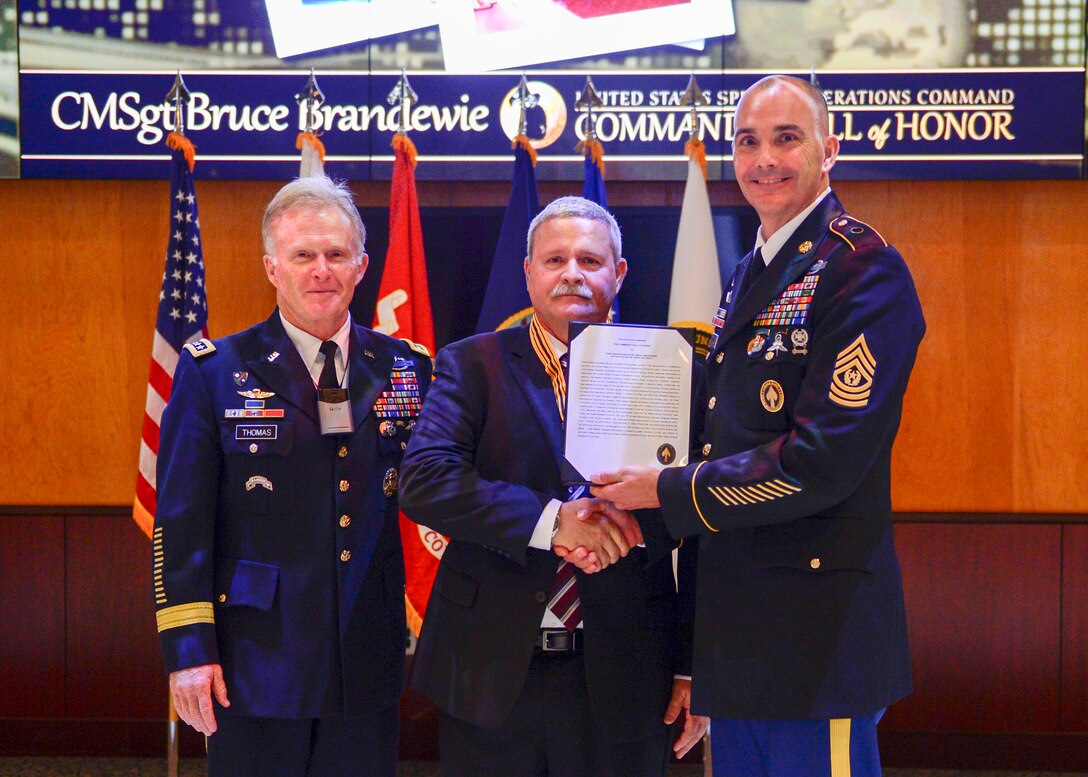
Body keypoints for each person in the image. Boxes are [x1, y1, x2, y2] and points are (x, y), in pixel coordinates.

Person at [592, 75, 926, 776]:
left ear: (829, 150)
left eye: (786, 138)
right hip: (740, 632)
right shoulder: (750, 271)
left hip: (817, 637)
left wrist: (671, 490)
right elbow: (725, 431)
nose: (764, 159)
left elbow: (823, 461)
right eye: (748, 142)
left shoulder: (861, 269)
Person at [398, 195, 708, 777]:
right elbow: (424, 480)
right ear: (528, 272)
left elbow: (698, 518)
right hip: (486, 670)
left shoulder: (672, 368)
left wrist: (693, 665)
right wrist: (554, 522)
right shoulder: (470, 364)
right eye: (555, 259)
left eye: (591, 261)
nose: (572, 273)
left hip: (627, 672)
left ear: (618, 274)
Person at [152, 175, 432, 777]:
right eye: (303, 255)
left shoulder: (407, 368)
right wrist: (189, 652)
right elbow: (180, 526)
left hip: (366, 653)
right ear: (272, 267)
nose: (321, 270)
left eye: (335, 255)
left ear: (361, 265)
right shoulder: (215, 371)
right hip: (254, 660)